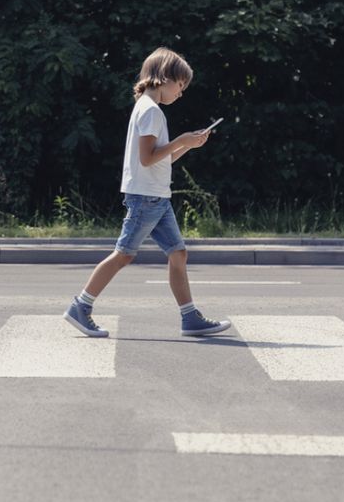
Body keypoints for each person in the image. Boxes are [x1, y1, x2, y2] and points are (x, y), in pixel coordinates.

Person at [63, 47, 231, 338]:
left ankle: (189, 317)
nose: (181, 93)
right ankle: (81, 306)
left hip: (157, 197)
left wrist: (187, 145)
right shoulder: (151, 111)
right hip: (146, 198)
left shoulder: (146, 107)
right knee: (123, 255)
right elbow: (148, 158)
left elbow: (157, 159)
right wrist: (181, 139)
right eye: (181, 85)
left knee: (178, 254)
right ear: (165, 78)